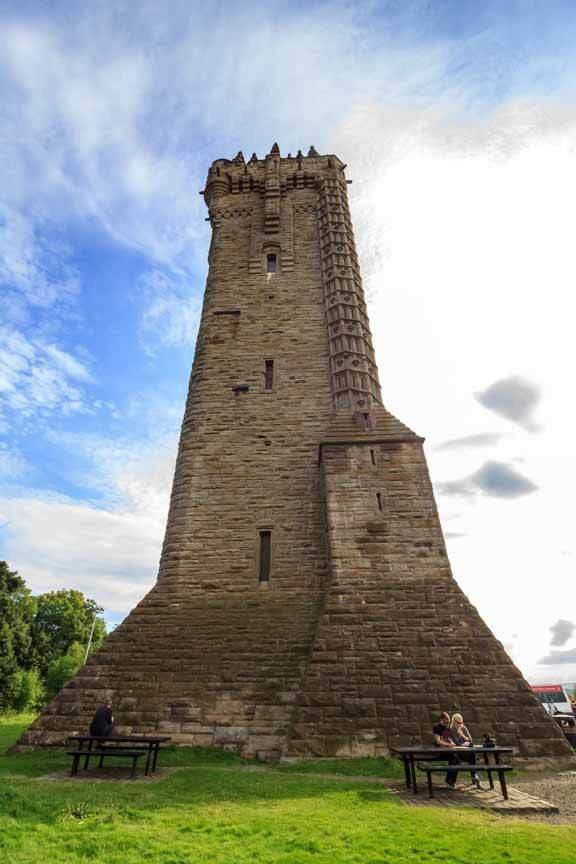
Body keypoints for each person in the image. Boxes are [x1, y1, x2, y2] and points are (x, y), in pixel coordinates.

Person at [450, 712, 483, 790]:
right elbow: (455, 743)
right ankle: (473, 775)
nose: (460, 724)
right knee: (459, 758)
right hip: (456, 753)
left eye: (461, 722)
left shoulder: (463, 728)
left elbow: (470, 740)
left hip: (466, 751)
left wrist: (462, 735)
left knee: (473, 754)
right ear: (454, 721)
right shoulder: (451, 730)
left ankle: (474, 776)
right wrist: (462, 741)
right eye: (458, 723)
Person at [432, 712, 458, 787]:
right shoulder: (437, 727)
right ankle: (449, 781)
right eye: (446, 722)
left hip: (449, 750)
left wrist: (452, 743)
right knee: (454, 759)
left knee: (457, 760)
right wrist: (448, 744)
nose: (447, 723)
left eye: (448, 722)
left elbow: (450, 738)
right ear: (442, 719)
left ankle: (451, 781)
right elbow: (438, 741)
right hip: (440, 751)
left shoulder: (448, 728)